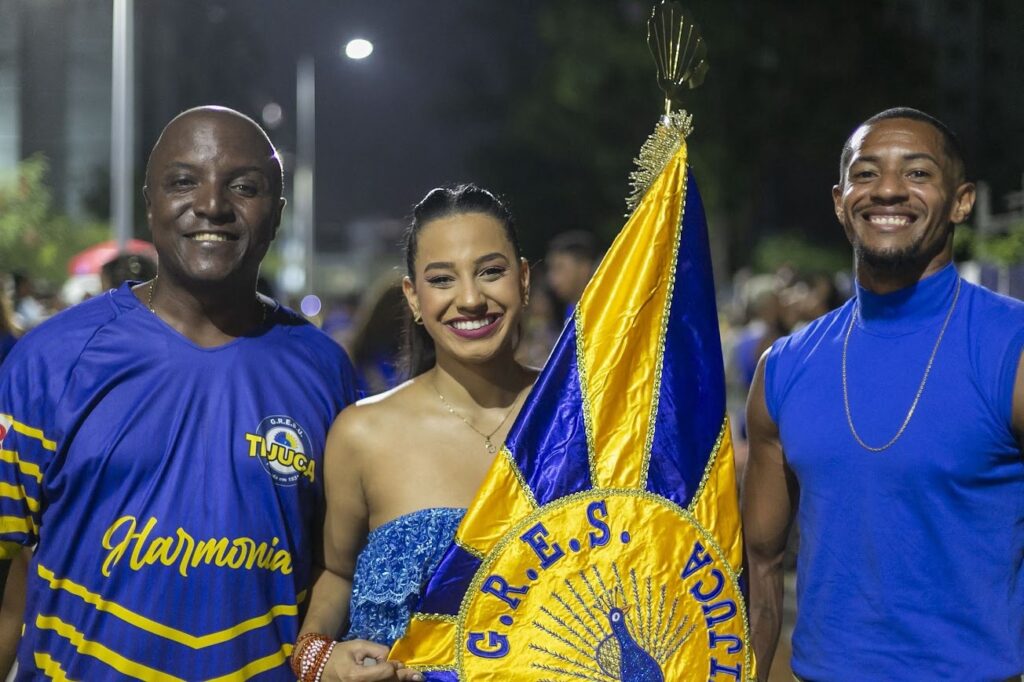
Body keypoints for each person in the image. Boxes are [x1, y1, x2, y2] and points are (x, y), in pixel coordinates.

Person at [0, 106, 360, 679]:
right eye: (184, 181)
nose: (213, 204)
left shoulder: (324, 372)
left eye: (244, 186)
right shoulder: (51, 361)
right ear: (151, 203)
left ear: (278, 213)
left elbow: (336, 568)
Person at [743, 107, 1024, 680]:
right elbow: (762, 566)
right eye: (866, 174)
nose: (888, 190)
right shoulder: (784, 367)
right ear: (840, 200)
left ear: (961, 201)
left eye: (917, 173)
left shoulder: (1012, 348)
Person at [294, 184, 537, 681]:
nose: (470, 298)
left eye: (491, 271)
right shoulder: (363, 433)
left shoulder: (582, 418)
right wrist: (317, 657)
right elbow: (335, 574)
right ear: (414, 297)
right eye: (442, 279)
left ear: (524, 280)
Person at [545, 229, 598, 317]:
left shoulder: (604, 312)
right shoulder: (569, 311)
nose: (551, 278)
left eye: (559, 268)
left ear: (584, 267)